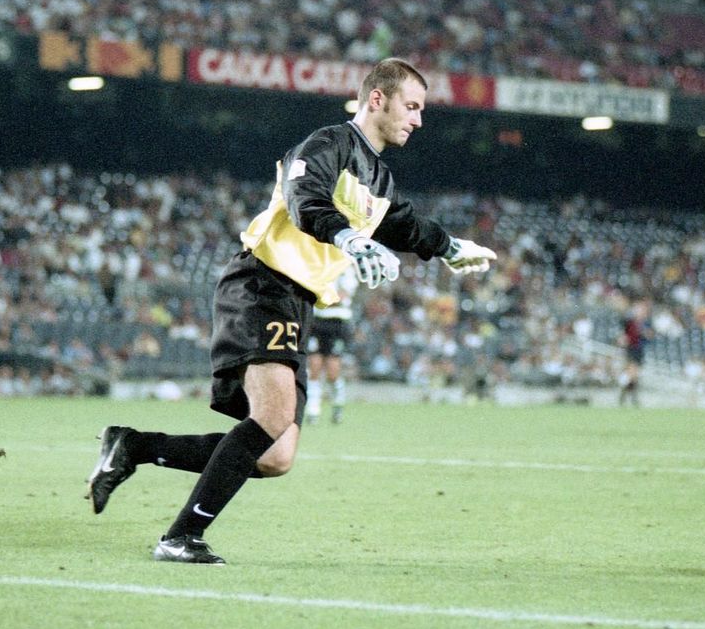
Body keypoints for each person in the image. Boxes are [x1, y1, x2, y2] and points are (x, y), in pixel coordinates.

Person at [86, 58, 497, 564]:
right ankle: (179, 537)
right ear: (377, 99)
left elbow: (404, 225)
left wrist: (451, 247)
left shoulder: (379, 178)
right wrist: (348, 238)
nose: (418, 119)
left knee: (275, 455)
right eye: (411, 106)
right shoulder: (327, 144)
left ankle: (132, 447)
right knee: (274, 416)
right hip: (262, 282)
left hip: (298, 301)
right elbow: (305, 198)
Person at [305, 266, 358, 424]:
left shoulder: (344, 268)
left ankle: (338, 403)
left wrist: (319, 298)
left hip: (337, 322)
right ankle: (313, 409)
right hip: (316, 321)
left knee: (332, 371)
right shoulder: (316, 265)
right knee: (314, 365)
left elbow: (340, 297)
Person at [617, 298, 651, 407]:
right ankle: (630, 398)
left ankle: (625, 396)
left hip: (639, 350)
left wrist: (644, 332)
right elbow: (623, 334)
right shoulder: (629, 322)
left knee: (633, 376)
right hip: (631, 349)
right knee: (632, 373)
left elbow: (650, 335)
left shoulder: (646, 323)